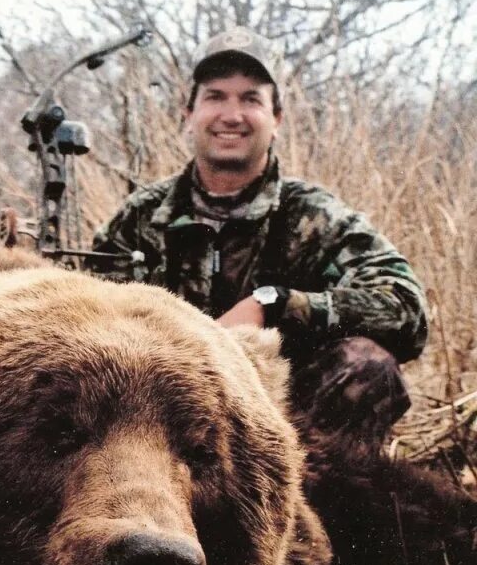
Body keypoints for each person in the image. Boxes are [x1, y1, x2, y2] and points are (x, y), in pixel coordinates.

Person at [84, 27, 428, 454]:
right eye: (215, 97)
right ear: (188, 113)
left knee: (367, 367)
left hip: (283, 425)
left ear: (276, 119)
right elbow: (86, 321)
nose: (232, 115)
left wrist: (276, 305)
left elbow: (406, 308)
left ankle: (316, 511)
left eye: (251, 99)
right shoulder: (140, 218)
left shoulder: (313, 216)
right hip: (159, 422)